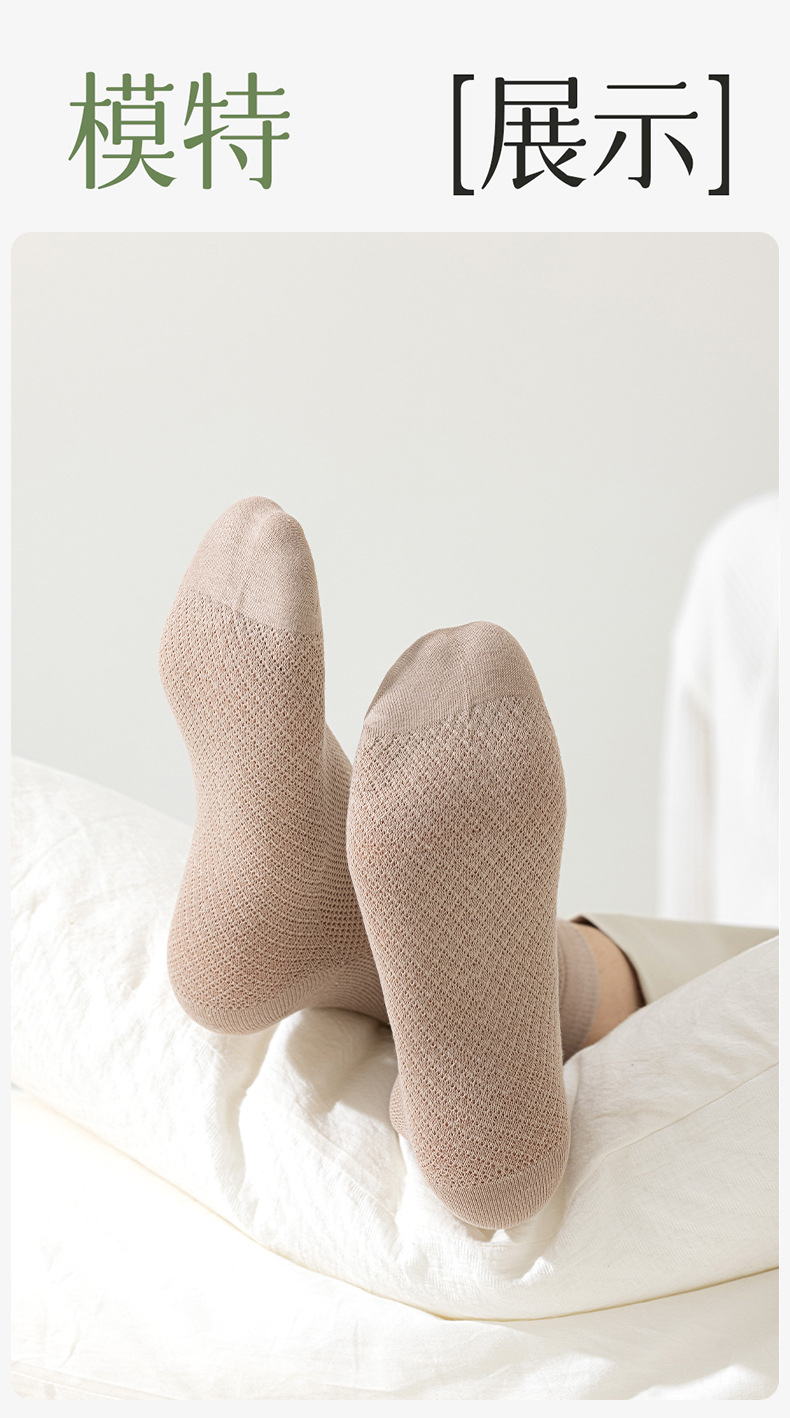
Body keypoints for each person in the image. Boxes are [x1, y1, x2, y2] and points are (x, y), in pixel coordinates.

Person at [159, 498, 774, 1231]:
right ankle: (485, 1094)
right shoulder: (750, 560)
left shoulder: (754, 555)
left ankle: (307, 918)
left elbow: (706, 858)